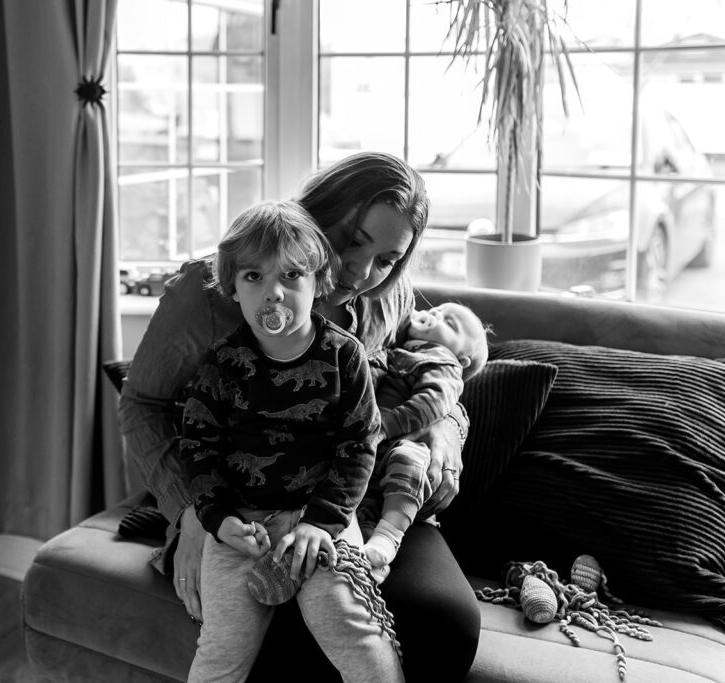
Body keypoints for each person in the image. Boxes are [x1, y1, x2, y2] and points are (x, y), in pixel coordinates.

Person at [119, 151, 481, 682]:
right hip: (233, 498)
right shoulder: (209, 291)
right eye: (353, 239)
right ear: (314, 210)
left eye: (387, 258)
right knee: (263, 629)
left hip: (352, 496)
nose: (362, 271)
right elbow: (142, 405)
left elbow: (435, 370)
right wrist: (193, 513)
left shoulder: (388, 295)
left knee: (447, 620)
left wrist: (448, 431)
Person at [180, 199, 400, 682]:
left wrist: (323, 522)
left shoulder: (345, 357)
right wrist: (218, 520)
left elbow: (360, 445)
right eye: (254, 277)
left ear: (319, 282)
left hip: (319, 519)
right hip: (240, 525)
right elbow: (198, 448)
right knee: (220, 648)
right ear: (233, 287)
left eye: (291, 276)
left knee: (350, 627)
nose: (272, 294)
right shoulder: (222, 363)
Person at [361, 302, 489, 572]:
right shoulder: (401, 346)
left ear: (461, 359)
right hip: (370, 445)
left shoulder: (442, 361)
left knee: (410, 459)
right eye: (436, 310)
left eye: (449, 323)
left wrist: (384, 426)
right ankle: (370, 559)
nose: (434, 315)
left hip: (399, 442)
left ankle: (388, 536)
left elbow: (433, 402)